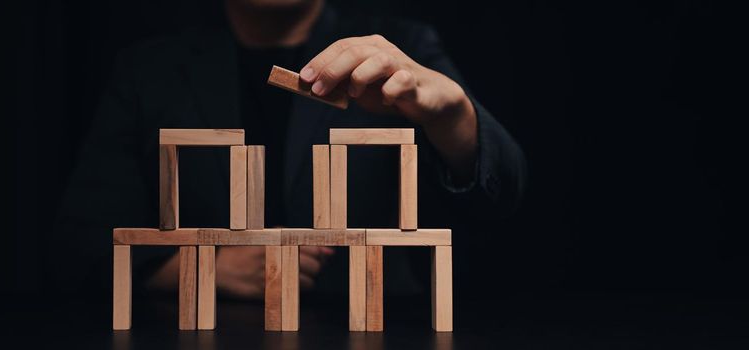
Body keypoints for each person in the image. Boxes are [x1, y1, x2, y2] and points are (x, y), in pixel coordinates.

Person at [51, 0, 526, 300]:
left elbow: (501, 198)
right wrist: (194, 268)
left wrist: (453, 115)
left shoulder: (405, 48)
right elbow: (82, 238)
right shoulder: (147, 68)